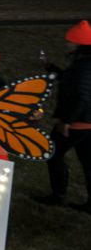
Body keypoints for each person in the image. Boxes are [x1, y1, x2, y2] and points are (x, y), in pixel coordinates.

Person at [37, 20, 91, 212]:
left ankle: (58, 195)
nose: (67, 44)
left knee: (53, 153)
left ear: (79, 43)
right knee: (87, 161)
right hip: (85, 122)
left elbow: (82, 96)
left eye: (70, 41)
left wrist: (67, 121)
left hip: (77, 122)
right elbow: (70, 81)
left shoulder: (84, 67)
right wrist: (51, 67)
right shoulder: (81, 62)